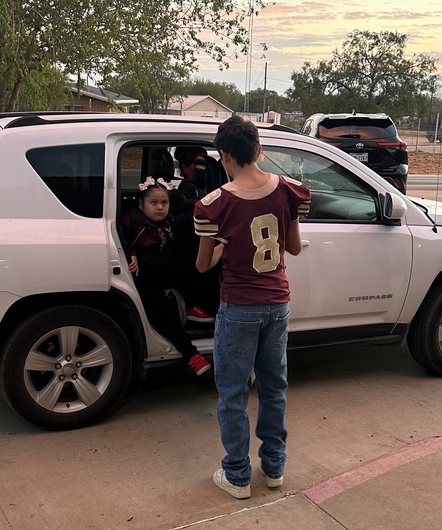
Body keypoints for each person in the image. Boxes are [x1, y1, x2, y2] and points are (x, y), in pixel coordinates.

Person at [194, 115, 311, 499]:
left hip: (239, 307)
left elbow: (202, 265)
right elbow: (291, 247)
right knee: (274, 387)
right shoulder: (292, 191)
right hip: (277, 303)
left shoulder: (213, 204)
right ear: (259, 149)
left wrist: (227, 245)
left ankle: (238, 476)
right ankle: (274, 468)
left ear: (224, 156)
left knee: (233, 393)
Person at [121, 177, 211, 377]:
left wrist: (209, 206)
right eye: (154, 203)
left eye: (164, 203)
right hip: (144, 276)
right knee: (164, 308)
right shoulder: (131, 220)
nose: (160, 207)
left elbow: (187, 220)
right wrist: (131, 253)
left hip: (164, 269)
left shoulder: (169, 220)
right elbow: (118, 238)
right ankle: (191, 355)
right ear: (141, 204)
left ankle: (192, 307)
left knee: (193, 263)